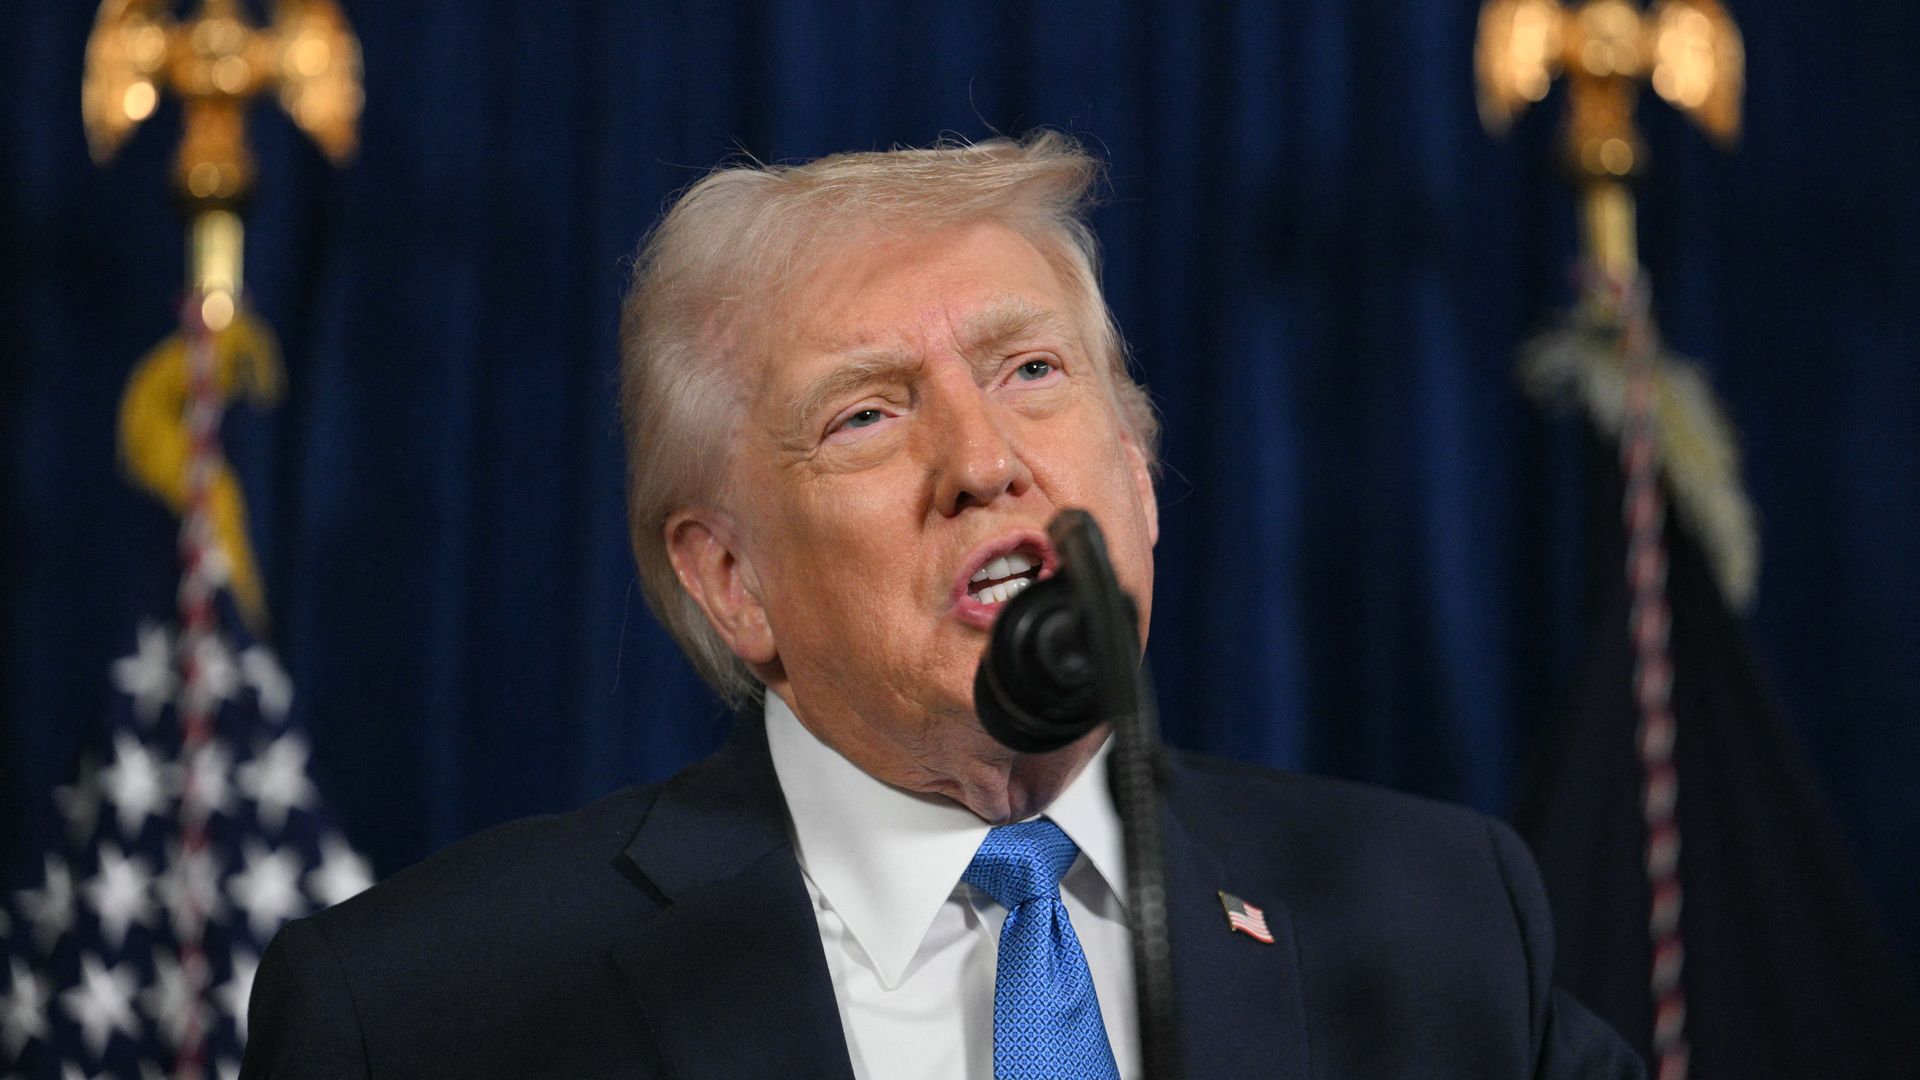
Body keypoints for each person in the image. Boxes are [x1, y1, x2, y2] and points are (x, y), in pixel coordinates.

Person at [241, 133, 1643, 1079]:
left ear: (1142, 483)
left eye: (1031, 371)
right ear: (730, 581)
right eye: (864, 414)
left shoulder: (1440, 925)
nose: (984, 462)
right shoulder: (434, 1013)